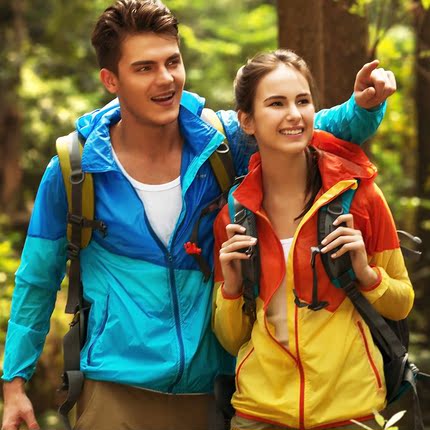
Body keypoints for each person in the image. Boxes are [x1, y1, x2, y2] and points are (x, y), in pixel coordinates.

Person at [1, 0, 397, 429]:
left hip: (210, 390)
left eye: (173, 61)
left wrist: (363, 107)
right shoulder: (74, 168)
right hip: (113, 393)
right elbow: (37, 281)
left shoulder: (221, 142)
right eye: (145, 68)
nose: (166, 79)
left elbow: (303, 126)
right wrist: (14, 383)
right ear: (110, 80)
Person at [212, 49, 414, 430]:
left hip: (351, 413)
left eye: (302, 101)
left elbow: (402, 302)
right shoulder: (234, 214)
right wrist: (232, 287)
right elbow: (232, 337)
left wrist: (366, 274)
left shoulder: (360, 196)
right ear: (247, 121)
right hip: (258, 415)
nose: (294, 114)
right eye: (276, 103)